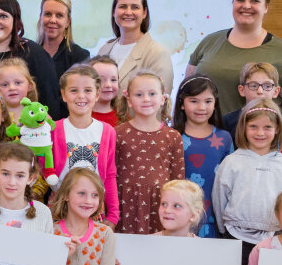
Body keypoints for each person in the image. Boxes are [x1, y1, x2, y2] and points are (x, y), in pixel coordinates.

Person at [211, 97, 282, 265]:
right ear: (244, 128)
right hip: (236, 237)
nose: (260, 132)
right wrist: (224, 227)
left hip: (269, 239)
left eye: (267, 127)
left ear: (277, 129)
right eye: (253, 126)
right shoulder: (233, 161)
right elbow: (219, 197)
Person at [187, 0, 282, 119]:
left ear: (266, 7)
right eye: (240, 0)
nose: (246, 6)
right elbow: (187, 91)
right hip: (205, 137)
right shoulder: (210, 42)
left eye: (255, 1)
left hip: (257, 138)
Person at [114, 71, 184, 234]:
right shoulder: (117, 133)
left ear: (162, 99)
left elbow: (178, 181)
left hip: (160, 205)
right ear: (129, 100)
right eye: (139, 94)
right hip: (125, 205)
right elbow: (110, 175)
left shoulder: (173, 136)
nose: (146, 99)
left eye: (152, 94)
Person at [52, 64, 119, 226]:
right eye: (74, 90)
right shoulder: (53, 130)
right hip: (60, 205)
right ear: (64, 95)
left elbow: (109, 175)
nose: (81, 96)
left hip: (93, 207)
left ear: (97, 94)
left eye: (88, 90)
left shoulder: (107, 132)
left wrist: (113, 215)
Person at [172, 76, 234, 238]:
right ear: (182, 104)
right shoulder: (172, 136)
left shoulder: (224, 138)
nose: (201, 107)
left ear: (215, 104)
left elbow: (230, 180)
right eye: (194, 101)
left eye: (208, 101)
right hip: (177, 216)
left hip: (212, 218)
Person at [95, 0, 174, 96]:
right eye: (122, 6)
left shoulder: (157, 54)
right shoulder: (104, 50)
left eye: (135, 7)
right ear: (114, 12)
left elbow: (161, 105)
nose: (128, 12)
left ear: (144, 13)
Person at [37, 0, 90, 79]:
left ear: (67, 22)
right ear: (40, 17)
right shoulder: (30, 53)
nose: (52, 20)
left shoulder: (80, 57)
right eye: (48, 14)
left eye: (59, 15)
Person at [87, 55, 121, 126]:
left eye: (113, 80)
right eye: (101, 80)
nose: (108, 85)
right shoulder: (80, 116)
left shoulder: (123, 116)